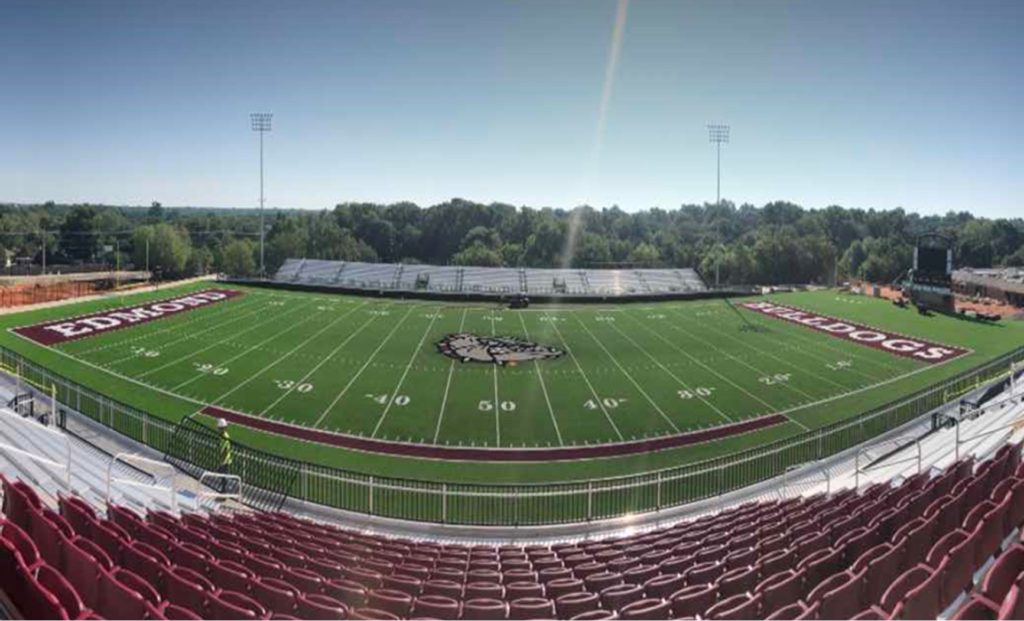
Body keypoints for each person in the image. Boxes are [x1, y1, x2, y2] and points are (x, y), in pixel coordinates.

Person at [217, 418, 235, 495]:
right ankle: (225, 488)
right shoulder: (222, 435)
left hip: (225, 459)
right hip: (225, 458)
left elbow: (225, 449)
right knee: (223, 474)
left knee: (223, 474)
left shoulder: (225, 436)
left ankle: (225, 489)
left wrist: (222, 461)